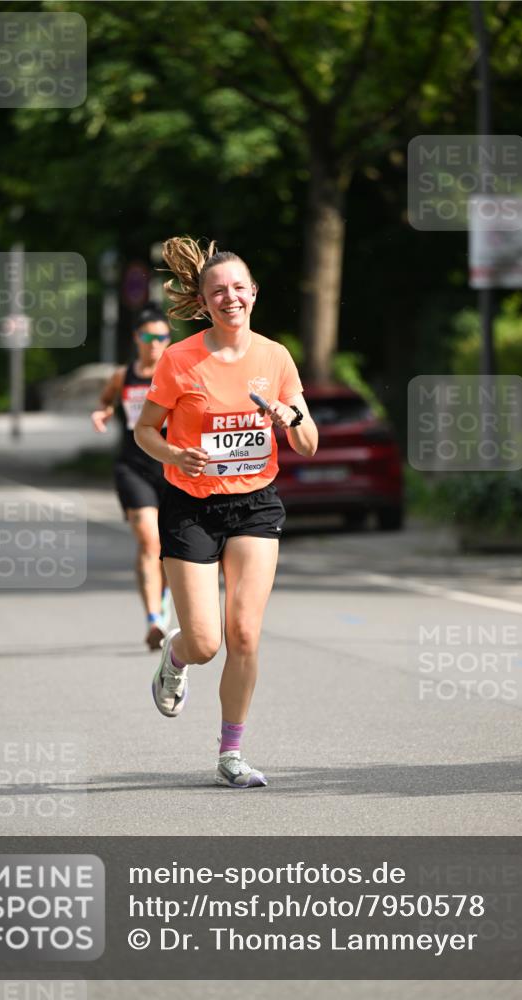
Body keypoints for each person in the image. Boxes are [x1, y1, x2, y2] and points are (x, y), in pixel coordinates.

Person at [134, 237, 318, 787]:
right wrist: (173, 452)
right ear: (205, 301)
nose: (230, 298)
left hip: (256, 505)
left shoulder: (276, 357)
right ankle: (175, 657)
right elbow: (145, 430)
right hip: (190, 506)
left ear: (254, 294)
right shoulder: (180, 359)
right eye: (219, 291)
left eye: (239, 288)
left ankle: (230, 755)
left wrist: (289, 415)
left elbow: (308, 442)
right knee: (206, 643)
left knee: (243, 634)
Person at [91, 303, 174, 650]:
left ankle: (167, 595)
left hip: (173, 466)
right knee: (149, 542)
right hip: (134, 466)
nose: (154, 343)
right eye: (147, 336)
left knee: (171, 546)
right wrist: (104, 412)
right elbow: (107, 400)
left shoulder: (178, 374)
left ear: (169, 339)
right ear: (136, 338)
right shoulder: (122, 376)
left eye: (161, 337)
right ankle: (153, 618)